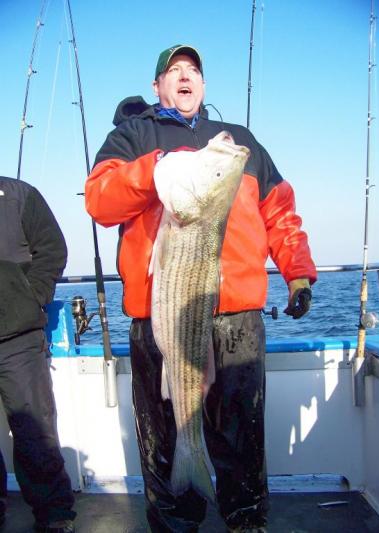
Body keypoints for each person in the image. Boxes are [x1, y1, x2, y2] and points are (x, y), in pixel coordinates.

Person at [85, 44, 317, 532]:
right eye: (174, 71)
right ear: (158, 87)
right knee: (162, 437)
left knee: (242, 436)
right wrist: (155, 166)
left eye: (194, 71)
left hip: (236, 317)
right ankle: (175, 523)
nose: (185, 78)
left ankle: (246, 520)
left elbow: (279, 211)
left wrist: (297, 271)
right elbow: (100, 202)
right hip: (160, 313)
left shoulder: (236, 143)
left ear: (205, 87)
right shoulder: (133, 135)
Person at [0, 176, 76, 533]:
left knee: (35, 427)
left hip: (18, 335)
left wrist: (32, 296)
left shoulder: (18, 195)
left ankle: (54, 512)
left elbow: (52, 249)